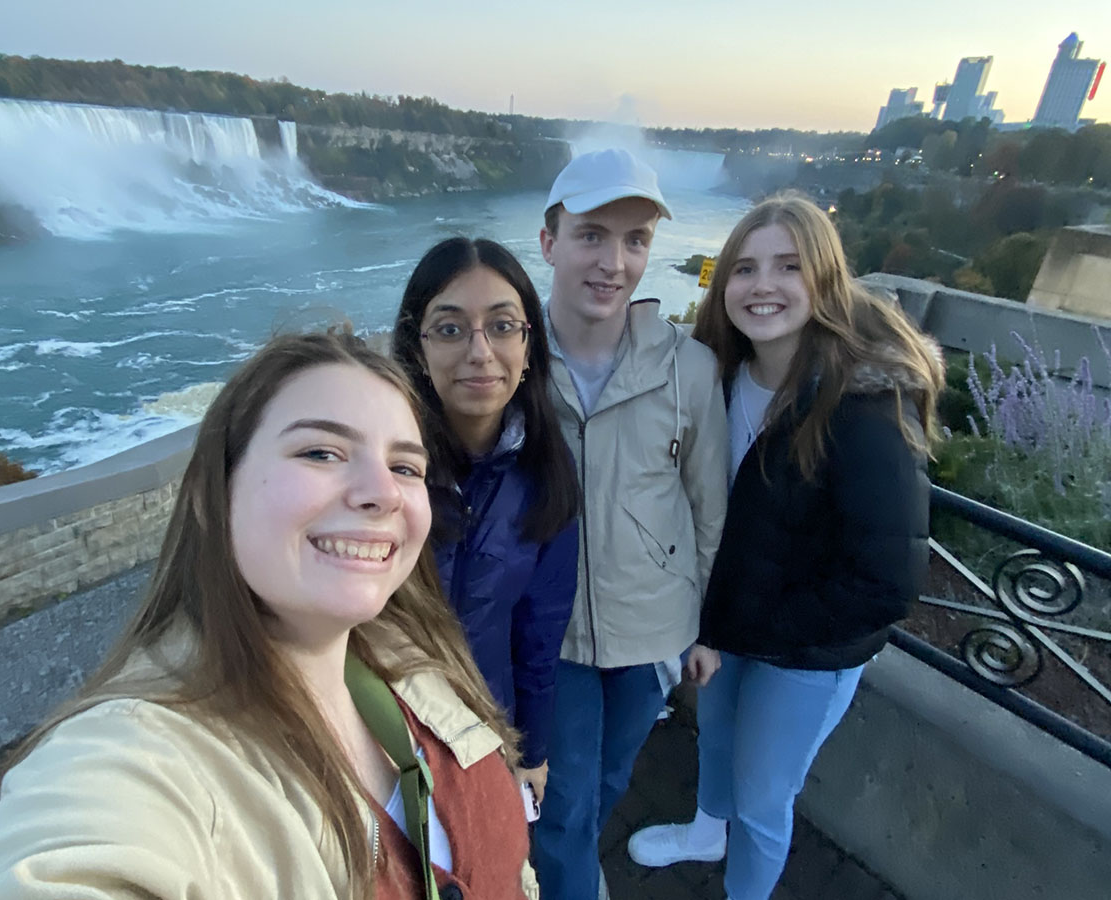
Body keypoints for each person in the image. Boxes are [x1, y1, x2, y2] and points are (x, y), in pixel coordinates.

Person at [0, 333, 539, 900]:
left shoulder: (410, 655)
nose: (383, 493)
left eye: (406, 467)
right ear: (212, 494)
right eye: (320, 452)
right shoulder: (141, 764)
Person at [627, 192, 943, 900]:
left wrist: (735, 629)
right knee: (716, 734)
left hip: (808, 648)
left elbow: (885, 582)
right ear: (723, 283)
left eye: (787, 267)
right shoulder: (718, 375)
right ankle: (708, 831)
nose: (762, 285)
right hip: (735, 622)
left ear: (824, 281)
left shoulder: (863, 409)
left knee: (765, 794)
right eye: (744, 268)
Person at [531, 147, 730, 900]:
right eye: (591, 235)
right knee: (564, 799)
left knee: (608, 778)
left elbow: (709, 506)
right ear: (549, 243)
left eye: (637, 240)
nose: (614, 261)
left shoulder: (690, 369)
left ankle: (570, 864)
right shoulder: (507, 361)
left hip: (653, 628)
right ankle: (571, 878)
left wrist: (706, 628)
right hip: (549, 636)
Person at [391, 236, 580, 809]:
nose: (480, 351)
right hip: (381, 734)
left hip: (483, 728)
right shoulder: (381, 465)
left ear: (529, 345)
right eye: (450, 329)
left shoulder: (546, 468)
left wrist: (532, 750)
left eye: (502, 327)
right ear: (418, 348)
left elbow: (539, 631)